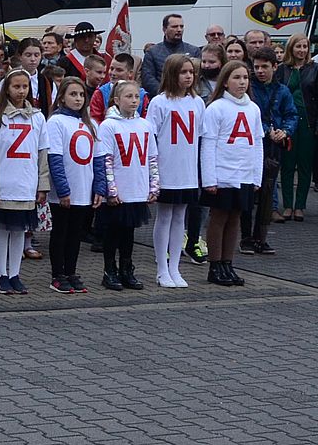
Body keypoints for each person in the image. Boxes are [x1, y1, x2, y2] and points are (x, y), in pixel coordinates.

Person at [0, 69, 49, 295]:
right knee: (2, 229)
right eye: (16, 87)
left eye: (25, 87)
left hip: (26, 183)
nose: (21, 91)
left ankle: (15, 274)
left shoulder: (38, 117)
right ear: (6, 89)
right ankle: (1, 274)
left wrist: (43, 184)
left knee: (20, 230)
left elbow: (42, 153)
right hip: (5, 183)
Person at [201, 60, 262, 287]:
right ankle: (215, 265)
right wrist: (209, 178)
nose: (242, 82)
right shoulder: (216, 108)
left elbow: (257, 144)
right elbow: (208, 145)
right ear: (225, 82)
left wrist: (257, 176)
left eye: (245, 78)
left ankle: (228, 263)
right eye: (236, 78)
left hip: (244, 174)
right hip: (222, 173)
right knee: (219, 217)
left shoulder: (253, 109)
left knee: (235, 217)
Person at [147, 54, 205, 288]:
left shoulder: (197, 102)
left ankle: (175, 268)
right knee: (165, 216)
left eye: (191, 72)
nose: (188, 76)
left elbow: (199, 137)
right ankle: (162, 268)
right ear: (172, 74)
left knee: (181, 216)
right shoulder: (159, 102)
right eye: (183, 72)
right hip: (166, 168)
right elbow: (151, 137)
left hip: (188, 170)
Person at [95, 81, 157, 290]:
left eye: (136, 97)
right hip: (119, 189)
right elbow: (106, 159)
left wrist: (153, 186)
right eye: (129, 97)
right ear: (116, 100)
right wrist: (111, 190)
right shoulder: (109, 125)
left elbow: (152, 157)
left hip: (137, 188)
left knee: (129, 232)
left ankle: (126, 269)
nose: (133, 101)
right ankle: (109, 270)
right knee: (113, 232)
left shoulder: (145, 125)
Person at [45, 77, 103, 294]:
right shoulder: (56, 122)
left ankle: (71, 271)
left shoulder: (91, 124)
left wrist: (99, 187)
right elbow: (55, 158)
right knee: (61, 232)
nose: (78, 99)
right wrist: (63, 189)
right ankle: (57, 274)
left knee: (75, 233)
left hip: (83, 188)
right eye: (73, 94)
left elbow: (97, 159)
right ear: (62, 97)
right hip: (64, 191)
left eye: (81, 95)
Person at [244, 46, 294, 256]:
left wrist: (285, 131)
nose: (260, 71)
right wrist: (266, 131)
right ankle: (246, 237)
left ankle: (261, 238)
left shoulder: (283, 90)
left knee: (268, 192)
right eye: (256, 67)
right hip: (251, 146)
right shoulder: (249, 89)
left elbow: (291, 114)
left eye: (265, 66)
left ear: (275, 66)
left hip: (273, 148)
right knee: (248, 193)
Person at [279, 35, 315, 222]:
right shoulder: (282, 70)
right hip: (287, 121)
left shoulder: (314, 69)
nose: (302, 50)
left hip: (308, 121)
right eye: (298, 46)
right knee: (287, 163)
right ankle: (287, 205)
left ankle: (300, 205)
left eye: (305, 46)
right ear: (291, 48)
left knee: (304, 164)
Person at [140, 13, 201, 97]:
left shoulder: (194, 51)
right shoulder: (152, 53)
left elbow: (198, 78)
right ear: (164, 29)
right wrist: (166, 94)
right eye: (174, 27)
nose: (179, 29)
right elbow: (148, 79)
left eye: (181, 26)